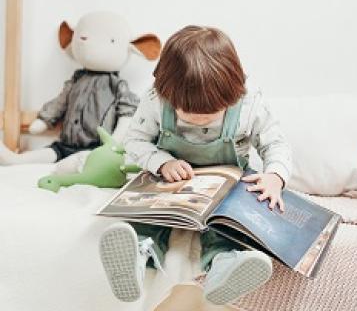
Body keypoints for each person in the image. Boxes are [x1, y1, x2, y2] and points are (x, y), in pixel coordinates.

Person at [99, 25, 292, 305]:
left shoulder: (249, 103)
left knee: (227, 228)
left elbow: (276, 143)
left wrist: (275, 176)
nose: (199, 119)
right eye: (187, 113)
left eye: (211, 113)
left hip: (227, 187)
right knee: (150, 219)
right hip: (170, 183)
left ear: (234, 92)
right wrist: (162, 162)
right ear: (166, 92)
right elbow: (135, 140)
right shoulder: (155, 100)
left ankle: (225, 266)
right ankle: (137, 256)